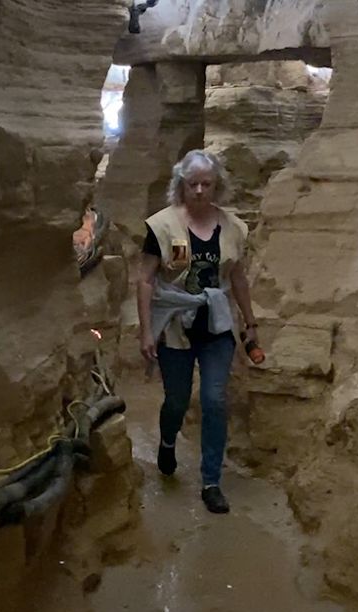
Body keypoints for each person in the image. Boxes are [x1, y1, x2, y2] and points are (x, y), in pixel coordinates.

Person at [136, 149, 257, 514]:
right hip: (175, 325)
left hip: (217, 324)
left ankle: (210, 481)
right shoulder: (161, 226)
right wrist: (146, 331)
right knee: (176, 399)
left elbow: (237, 278)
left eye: (207, 183)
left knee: (215, 399)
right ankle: (168, 441)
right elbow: (144, 280)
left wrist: (251, 324)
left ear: (217, 184)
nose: (201, 191)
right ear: (181, 185)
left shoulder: (234, 227)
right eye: (193, 184)